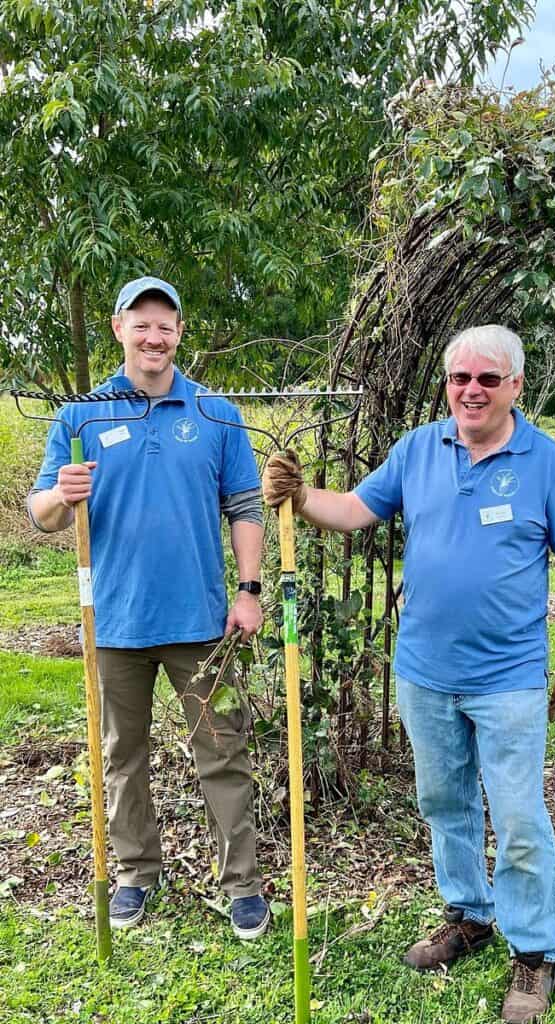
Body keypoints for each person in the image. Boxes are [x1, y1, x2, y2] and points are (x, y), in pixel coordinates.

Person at [263, 325, 555, 1023]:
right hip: (423, 671)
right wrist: (299, 496)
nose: (470, 390)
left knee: (516, 816)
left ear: (515, 387)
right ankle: (470, 917)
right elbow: (354, 510)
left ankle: (536, 954)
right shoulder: (418, 449)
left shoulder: (545, 461)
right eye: (459, 378)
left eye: (486, 378)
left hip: (507, 677)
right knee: (444, 803)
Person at [28, 276, 270, 940]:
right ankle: (135, 873)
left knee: (222, 751)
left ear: (179, 334)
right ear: (118, 330)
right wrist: (61, 494)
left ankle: (242, 886)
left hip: (202, 622)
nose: (154, 336)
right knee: (122, 754)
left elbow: (245, 508)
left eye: (165, 325)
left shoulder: (216, 414)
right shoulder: (81, 415)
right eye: (142, 324)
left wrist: (249, 592)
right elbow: (42, 511)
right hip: (116, 620)